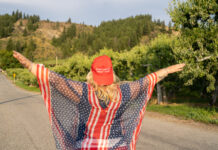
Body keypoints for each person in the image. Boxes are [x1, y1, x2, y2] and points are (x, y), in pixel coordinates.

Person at [13, 50, 185, 150]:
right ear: (112, 74)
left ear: (91, 74)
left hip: (87, 146)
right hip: (117, 146)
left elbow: (56, 80)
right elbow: (148, 80)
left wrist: (30, 65)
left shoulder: (83, 92)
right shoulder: (124, 91)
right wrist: (168, 70)